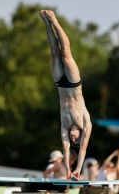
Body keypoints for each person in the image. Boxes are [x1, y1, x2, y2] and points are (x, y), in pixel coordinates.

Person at [39, 9, 92, 181]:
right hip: (74, 84)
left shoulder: (64, 125)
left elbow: (65, 148)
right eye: (76, 140)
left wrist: (68, 170)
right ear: (80, 136)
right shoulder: (85, 122)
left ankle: (46, 23)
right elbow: (82, 149)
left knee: (54, 53)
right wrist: (78, 169)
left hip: (60, 84)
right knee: (66, 54)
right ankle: (54, 20)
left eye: (73, 140)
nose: (73, 139)